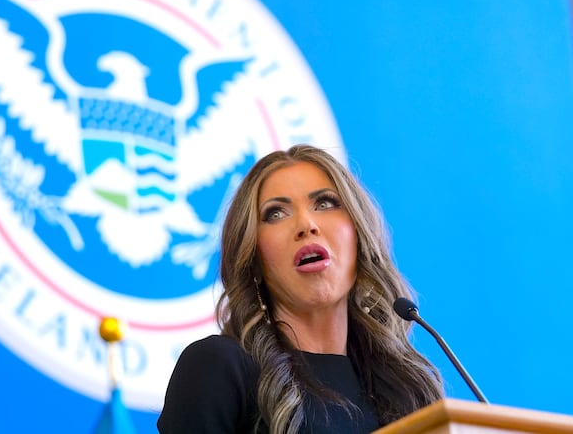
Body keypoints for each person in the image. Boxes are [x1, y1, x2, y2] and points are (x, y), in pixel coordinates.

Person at [157, 144, 444, 434]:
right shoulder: (217, 367)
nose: (306, 224)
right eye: (275, 214)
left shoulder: (409, 388)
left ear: (359, 237)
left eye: (324, 204)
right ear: (254, 260)